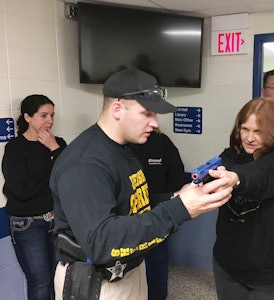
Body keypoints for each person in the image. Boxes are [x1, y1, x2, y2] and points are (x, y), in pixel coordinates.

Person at [49, 69, 232, 300]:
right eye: (147, 113)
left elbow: (131, 202)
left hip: (131, 269)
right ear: (117, 108)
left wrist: (176, 197)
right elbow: (101, 242)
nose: (155, 123)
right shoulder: (85, 163)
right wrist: (179, 209)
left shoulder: (124, 148)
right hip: (96, 282)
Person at [212, 97, 274, 299]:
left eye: (259, 131)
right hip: (229, 268)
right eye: (245, 129)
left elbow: (260, 173)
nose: (250, 138)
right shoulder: (230, 155)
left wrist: (235, 178)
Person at [2, 94, 67, 300]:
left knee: (59, 276)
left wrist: (54, 149)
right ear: (28, 117)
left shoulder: (59, 145)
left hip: (56, 220)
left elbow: (70, 177)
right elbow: (21, 191)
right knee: (40, 282)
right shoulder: (15, 148)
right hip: (28, 223)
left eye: (52, 115)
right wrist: (52, 176)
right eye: (44, 115)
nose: (50, 120)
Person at [129, 128, 187, 300]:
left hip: (158, 216)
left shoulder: (162, 143)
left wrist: (166, 205)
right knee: (129, 267)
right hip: (128, 218)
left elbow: (177, 179)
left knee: (157, 261)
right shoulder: (121, 145)